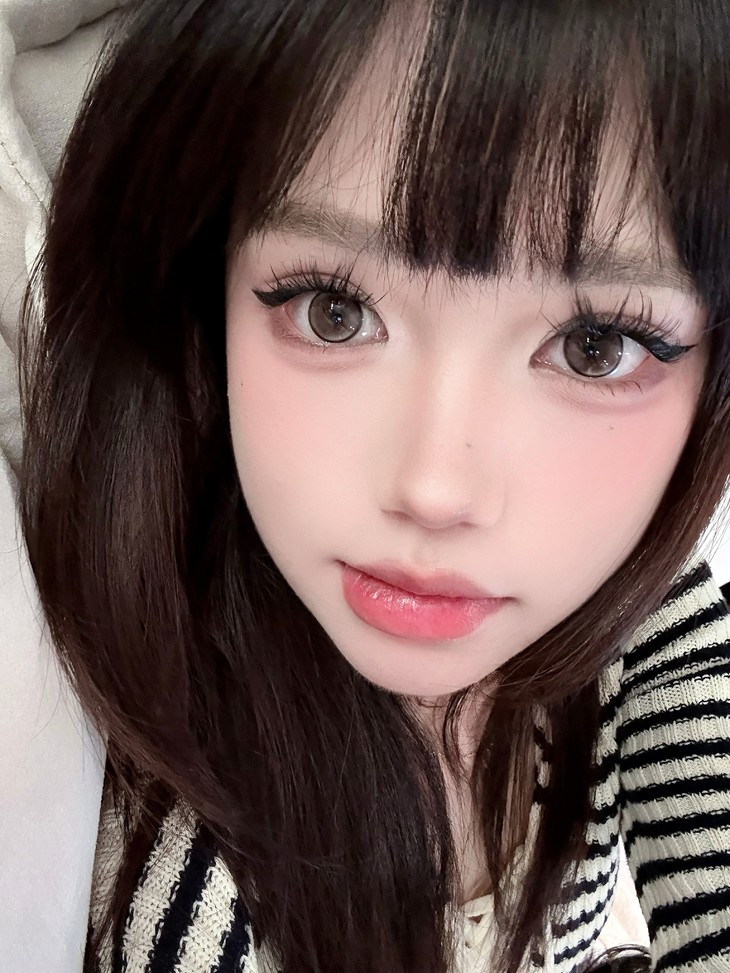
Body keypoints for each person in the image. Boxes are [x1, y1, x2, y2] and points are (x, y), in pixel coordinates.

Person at [16, 0, 730, 970]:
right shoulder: (191, 901)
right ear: (202, 295)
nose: (435, 488)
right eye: (334, 310)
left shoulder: (638, 596)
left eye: (594, 345)